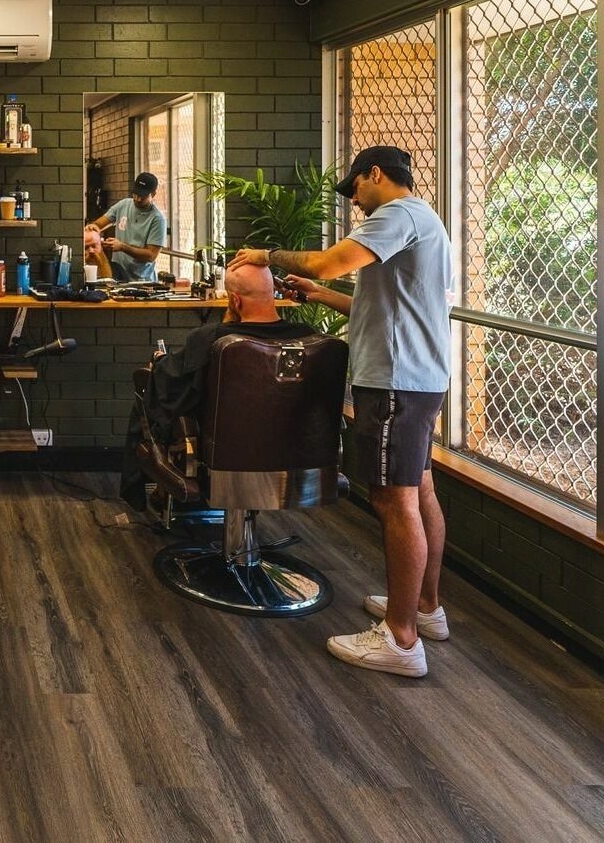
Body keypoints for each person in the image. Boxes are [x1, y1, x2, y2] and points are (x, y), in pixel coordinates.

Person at [230, 145, 452, 678]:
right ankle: (424, 610)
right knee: (419, 490)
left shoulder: (396, 214)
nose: (355, 203)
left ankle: (400, 641)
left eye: (355, 189)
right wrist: (315, 296)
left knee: (393, 499)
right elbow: (375, 307)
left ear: (375, 174)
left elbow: (329, 263)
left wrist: (267, 256)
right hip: (420, 379)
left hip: (396, 382)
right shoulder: (424, 222)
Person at [121, 261, 316, 510]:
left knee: (148, 389)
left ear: (234, 300)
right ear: (274, 293)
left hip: (223, 454)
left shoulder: (214, 339)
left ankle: (144, 494)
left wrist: (159, 364)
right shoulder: (307, 339)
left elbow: (171, 391)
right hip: (293, 454)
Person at [86, 172, 167, 282]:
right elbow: (99, 224)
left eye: (143, 196)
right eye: (136, 194)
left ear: (153, 194)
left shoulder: (157, 219)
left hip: (141, 280)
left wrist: (122, 247)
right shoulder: (123, 205)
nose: (138, 199)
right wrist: (93, 227)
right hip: (118, 275)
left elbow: (151, 255)